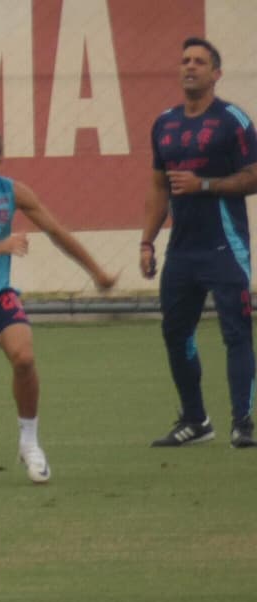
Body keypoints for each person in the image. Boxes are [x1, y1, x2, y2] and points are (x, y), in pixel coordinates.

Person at [0, 126, 117, 484]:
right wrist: (0, 247)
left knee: (24, 356)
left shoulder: (13, 192)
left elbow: (57, 231)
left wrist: (97, 272)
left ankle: (29, 443)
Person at [140, 37, 257, 449]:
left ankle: (242, 422)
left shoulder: (233, 121)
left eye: (199, 62)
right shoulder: (164, 124)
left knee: (236, 332)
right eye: (185, 60)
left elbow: (253, 176)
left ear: (215, 73)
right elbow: (159, 189)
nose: (189, 66)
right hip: (182, 251)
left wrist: (204, 184)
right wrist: (147, 241)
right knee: (175, 333)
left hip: (226, 247)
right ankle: (195, 420)